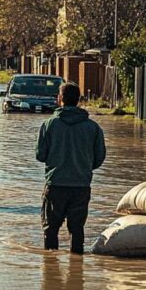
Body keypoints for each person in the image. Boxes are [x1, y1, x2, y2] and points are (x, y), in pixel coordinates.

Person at [35, 82, 106, 253]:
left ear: (60, 99)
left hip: (55, 185)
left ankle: (51, 270)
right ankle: (77, 268)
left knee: (50, 230)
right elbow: (99, 158)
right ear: (79, 100)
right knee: (77, 230)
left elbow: (40, 155)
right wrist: (83, 167)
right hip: (81, 186)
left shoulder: (49, 125)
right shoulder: (93, 128)